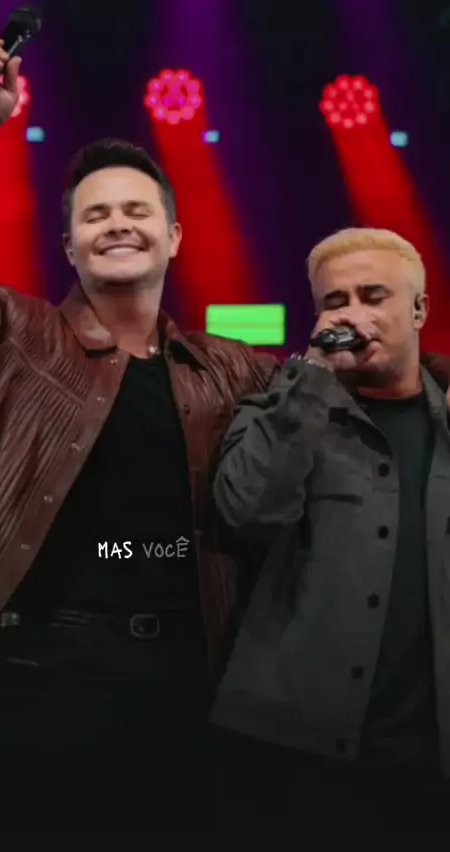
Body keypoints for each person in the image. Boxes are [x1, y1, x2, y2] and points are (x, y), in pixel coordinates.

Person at [0, 37, 278, 837]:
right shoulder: (17, 333)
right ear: (68, 245)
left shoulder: (226, 366)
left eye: (137, 211)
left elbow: (348, 376)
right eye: (95, 213)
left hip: (193, 682)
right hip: (41, 678)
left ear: (173, 236)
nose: (117, 224)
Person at [211, 227, 450, 834]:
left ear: (419, 309)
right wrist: (312, 378)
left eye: (374, 296)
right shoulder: (278, 410)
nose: (352, 314)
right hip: (300, 751)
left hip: (428, 756)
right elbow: (248, 512)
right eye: (334, 301)